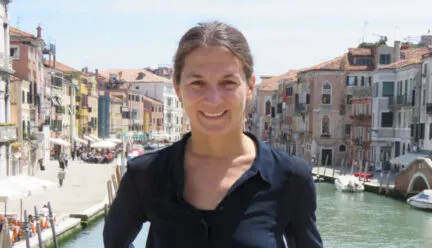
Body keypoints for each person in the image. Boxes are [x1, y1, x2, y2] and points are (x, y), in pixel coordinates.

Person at [103, 21, 322, 248]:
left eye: (228, 83)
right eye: (197, 83)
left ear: (249, 87)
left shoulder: (291, 177)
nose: (213, 99)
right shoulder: (145, 175)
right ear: (178, 89)